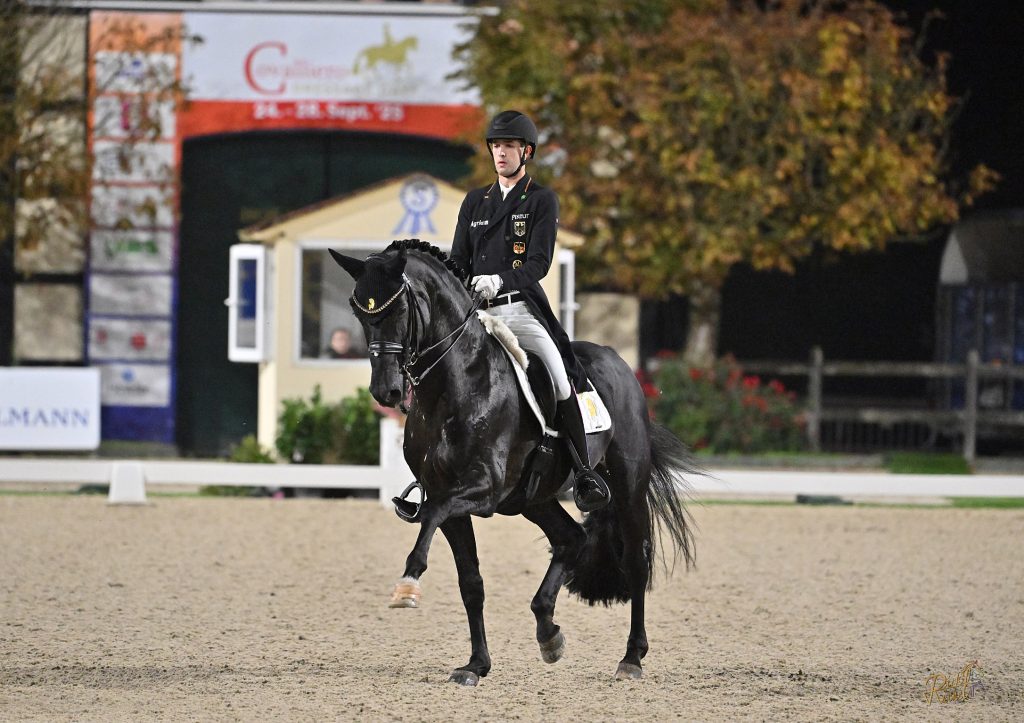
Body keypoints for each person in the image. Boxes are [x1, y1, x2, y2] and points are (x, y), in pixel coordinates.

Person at [450, 109, 611, 512]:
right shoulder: (475, 201)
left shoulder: (540, 199)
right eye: (496, 146)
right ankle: (429, 474)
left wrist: (499, 280)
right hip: (477, 315)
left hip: (517, 310)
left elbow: (538, 263)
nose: (500, 153)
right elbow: (459, 259)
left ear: (526, 152)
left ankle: (585, 472)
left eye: (508, 146)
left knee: (559, 379)